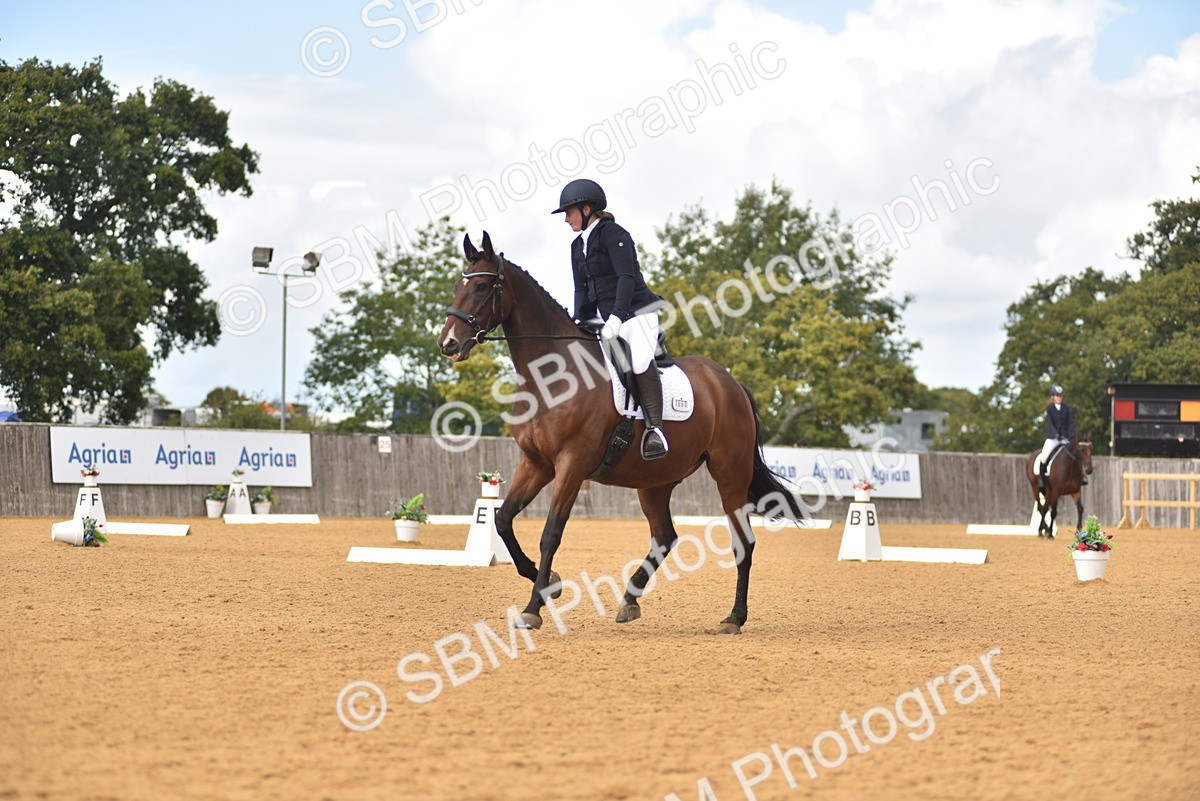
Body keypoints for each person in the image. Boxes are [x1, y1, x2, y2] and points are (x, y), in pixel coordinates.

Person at [553, 178, 669, 460]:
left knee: (640, 359)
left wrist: (617, 316)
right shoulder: (576, 246)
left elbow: (626, 278)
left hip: (636, 312)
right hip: (603, 320)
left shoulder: (614, 234)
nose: (566, 219)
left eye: (569, 212)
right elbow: (580, 288)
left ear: (587, 208)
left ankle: (656, 430)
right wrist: (578, 322)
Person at [1032, 385, 1078, 490]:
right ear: (1053, 397)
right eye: (1057, 396)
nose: (1059, 398)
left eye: (1061, 396)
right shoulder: (1050, 408)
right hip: (1053, 438)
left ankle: (1079, 477)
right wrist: (1055, 434)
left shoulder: (1066, 409)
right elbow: (1050, 423)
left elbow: (1070, 422)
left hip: (1064, 437)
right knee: (1044, 456)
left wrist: (1072, 434)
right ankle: (1041, 478)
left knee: (1075, 454)